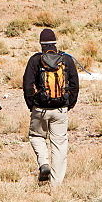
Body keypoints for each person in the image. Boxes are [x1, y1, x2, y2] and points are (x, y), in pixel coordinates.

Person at [23, 28, 80, 187]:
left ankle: (43, 164)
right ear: (55, 43)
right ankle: (56, 185)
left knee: (36, 136)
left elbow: (27, 85)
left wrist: (32, 105)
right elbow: (75, 85)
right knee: (59, 145)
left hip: (39, 108)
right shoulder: (66, 60)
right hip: (61, 108)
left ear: (41, 44)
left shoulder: (35, 60)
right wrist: (69, 104)